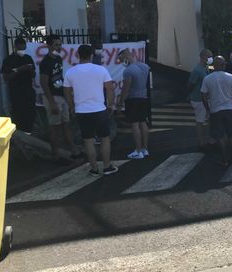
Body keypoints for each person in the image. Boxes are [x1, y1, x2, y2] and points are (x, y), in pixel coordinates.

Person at [63, 45, 118, 176]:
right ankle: (107, 166)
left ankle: (94, 168)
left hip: (81, 111)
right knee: (105, 138)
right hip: (99, 109)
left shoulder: (70, 72)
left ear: (77, 55)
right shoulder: (101, 70)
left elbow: (66, 92)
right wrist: (111, 105)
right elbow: (110, 89)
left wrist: (72, 107)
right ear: (92, 55)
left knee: (88, 140)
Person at [39, 34, 83, 164]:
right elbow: (43, 83)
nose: (59, 47)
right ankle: (56, 155)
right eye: (56, 45)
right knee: (55, 127)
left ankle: (73, 150)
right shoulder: (46, 62)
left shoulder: (58, 59)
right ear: (49, 45)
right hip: (53, 98)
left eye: (59, 44)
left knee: (66, 125)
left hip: (61, 96)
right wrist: (52, 102)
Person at [201, 56, 232, 166]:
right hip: (229, 109)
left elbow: (203, 95)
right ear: (223, 65)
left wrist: (207, 108)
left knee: (220, 136)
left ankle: (224, 160)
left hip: (215, 110)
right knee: (231, 135)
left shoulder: (208, 78)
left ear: (214, 65)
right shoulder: (230, 77)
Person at [117, 49, 151, 159]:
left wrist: (120, 102)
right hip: (144, 98)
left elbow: (126, 89)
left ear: (126, 57)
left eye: (121, 59)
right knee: (143, 123)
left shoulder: (128, 71)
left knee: (135, 124)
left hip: (133, 99)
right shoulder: (145, 67)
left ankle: (138, 150)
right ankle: (145, 149)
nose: (121, 62)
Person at [1, 37, 36, 134]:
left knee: (30, 114)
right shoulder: (9, 60)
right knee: (18, 114)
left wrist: (30, 69)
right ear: (15, 47)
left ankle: (29, 133)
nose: (22, 51)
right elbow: (6, 77)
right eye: (20, 49)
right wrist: (19, 70)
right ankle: (19, 134)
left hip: (28, 90)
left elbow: (34, 74)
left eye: (24, 49)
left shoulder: (28, 58)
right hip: (16, 92)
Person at [188, 49, 213, 151]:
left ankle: (211, 140)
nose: (211, 58)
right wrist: (189, 95)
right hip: (198, 99)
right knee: (200, 121)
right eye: (209, 56)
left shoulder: (206, 68)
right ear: (204, 57)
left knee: (209, 119)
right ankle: (201, 143)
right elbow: (190, 84)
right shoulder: (197, 70)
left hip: (205, 99)